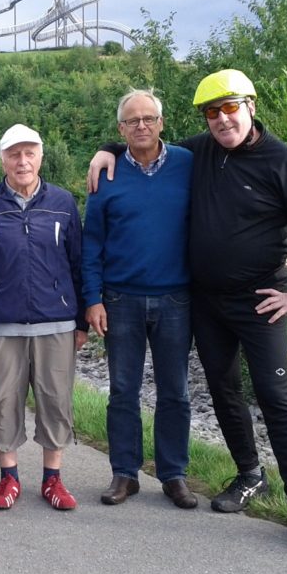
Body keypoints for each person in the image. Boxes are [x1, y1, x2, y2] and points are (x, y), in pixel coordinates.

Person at [88, 69, 287, 554]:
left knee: (274, 396)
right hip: (204, 299)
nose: (223, 120)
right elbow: (142, 142)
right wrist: (108, 148)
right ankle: (249, 475)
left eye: (231, 108)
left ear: (250, 105)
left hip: (261, 302)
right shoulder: (199, 152)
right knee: (223, 389)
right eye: (211, 112)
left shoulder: (283, 161)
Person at [0, 124, 88, 511]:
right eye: (14, 154)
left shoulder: (62, 203)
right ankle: (8, 477)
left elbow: (77, 263)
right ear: (2, 159)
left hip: (56, 322)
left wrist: (79, 320)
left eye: (29, 153)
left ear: (41, 157)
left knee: (55, 400)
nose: (22, 161)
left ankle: (53, 480)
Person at [82, 90, 196, 509]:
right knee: (123, 391)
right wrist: (91, 299)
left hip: (176, 299)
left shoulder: (188, 163)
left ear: (162, 122)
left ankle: (173, 474)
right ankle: (125, 474)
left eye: (149, 118)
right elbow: (91, 242)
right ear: (121, 129)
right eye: (133, 121)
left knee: (175, 392)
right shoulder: (105, 175)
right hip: (121, 299)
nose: (142, 126)